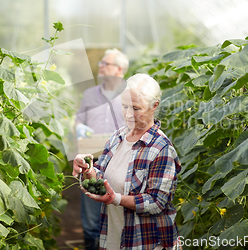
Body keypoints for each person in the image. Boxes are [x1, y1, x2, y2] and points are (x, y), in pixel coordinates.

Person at [73, 74, 182, 250]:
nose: (129, 114)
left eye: (136, 108)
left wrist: (116, 199)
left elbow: (157, 203)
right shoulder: (118, 137)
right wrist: (87, 168)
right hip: (113, 237)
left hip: (146, 242)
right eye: (124, 106)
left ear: (154, 106)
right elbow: (100, 175)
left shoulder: (161, 149)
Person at [75, 49, 129, 250]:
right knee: (90, 218)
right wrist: (80, 127)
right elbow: (79, 119)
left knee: (118, 212)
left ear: (119, 70)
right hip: (92, 161)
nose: (100, 66)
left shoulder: (128, 97)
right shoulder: (90, 94)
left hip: (120, 163)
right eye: (101, 63)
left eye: (106, 63)